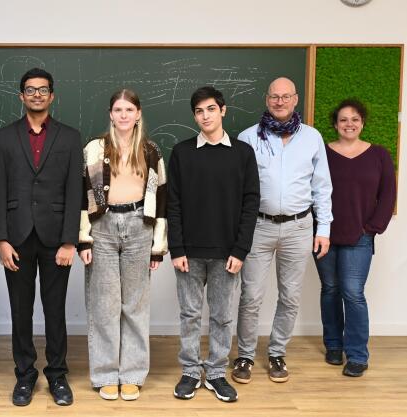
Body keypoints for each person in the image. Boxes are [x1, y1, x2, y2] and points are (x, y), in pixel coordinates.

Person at [0, 68, 83, 406]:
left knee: (55, 309)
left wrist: (70, 241)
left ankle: (57, 375)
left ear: (52, 95)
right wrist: (0, 239)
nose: (37, 95)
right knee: (20, 310)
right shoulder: (3, 137)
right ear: (21, 96)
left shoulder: (70, 137)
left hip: (56, 238)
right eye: (30, 90)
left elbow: (75, 191)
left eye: (43, 90)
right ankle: (25, 376)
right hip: (15, 238)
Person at [234, 77, 333, 384]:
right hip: (258, 227)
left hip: (299, 227)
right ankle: (245, 356)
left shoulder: (312, 138)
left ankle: (277, 353)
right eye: (274, 96)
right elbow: (238, 189)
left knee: (290, 296)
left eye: (285, 96)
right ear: (267, 100)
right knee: (251, 296)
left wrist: (324, 227)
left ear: (295, 99)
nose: (279, 101)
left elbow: (322, 187)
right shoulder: (248, 137)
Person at [168, 86, 259, 402]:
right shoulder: (182, 152)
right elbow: (173, 203)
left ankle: (217, 372)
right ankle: (191, 372)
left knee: (222, 316)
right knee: (190, 315)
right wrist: (176, 248)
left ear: (223, 110)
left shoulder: (242, 153)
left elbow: (251, 203)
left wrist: (240, 250)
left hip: (227, 253)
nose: (204, 116)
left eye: (210, 109)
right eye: (198, 111)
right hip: (189, 253)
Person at [78, 89, 167, 401]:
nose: (124, 115)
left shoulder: (152, 151)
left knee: (135, 305)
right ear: (111, 114)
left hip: (138, 227)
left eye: (129, 109)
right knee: (104, 306)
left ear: (138, 113)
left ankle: (131, 374)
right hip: (102, 227)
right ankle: (105, 374)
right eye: (118, 109)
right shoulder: (93, 149)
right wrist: (83, 239)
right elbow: (83, 195)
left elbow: (162, 200)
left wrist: (158, 246)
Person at [314, 98, 396, 377]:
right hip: (324, 235)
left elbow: (388, 194)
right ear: (335, 124)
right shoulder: (322, 152)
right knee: (330, 290)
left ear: (362, 123)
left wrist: (372, 227)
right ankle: (334, 346)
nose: (349, 124)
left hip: (360, 236)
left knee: (353, 293)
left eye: (354, 119)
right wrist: (317, 228)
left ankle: (358, 355)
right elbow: (311, 190)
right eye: (343, 120)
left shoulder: (379, 155)